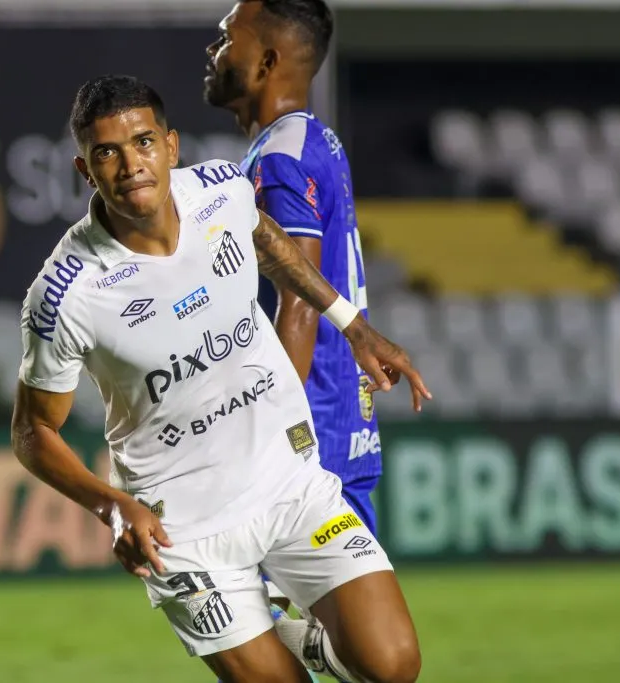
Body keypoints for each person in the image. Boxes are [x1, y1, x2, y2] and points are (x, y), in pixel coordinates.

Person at [12, 74, 429, 683]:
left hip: (288, 485)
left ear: (172, 146)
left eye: (143, 142)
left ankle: (299, 639)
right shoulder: (65, 293)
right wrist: (114, 509)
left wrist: (351, 324)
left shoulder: (220, 191)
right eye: (108, 152)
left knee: (393, 665)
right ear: (85, 170)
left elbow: (269, 240)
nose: (131, 164)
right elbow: (32, 434)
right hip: (182, 530)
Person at [204, 0, 393, 628]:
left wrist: (267, 438)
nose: (214, 49)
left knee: (280, 637)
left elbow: (297, 303)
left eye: (227, 37)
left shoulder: (280, 157)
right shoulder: (312, 139)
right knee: (330, 642)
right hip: (340, 427)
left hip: (306, 442)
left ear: (265, 61)